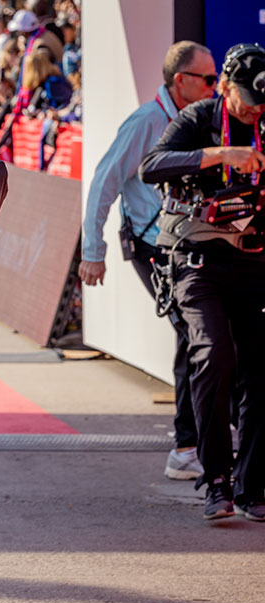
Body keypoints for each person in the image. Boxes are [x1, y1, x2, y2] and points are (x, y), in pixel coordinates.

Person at [139, 43, 265, 522]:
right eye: (246, 100)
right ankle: (216, 479)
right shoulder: (199, 118)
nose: (254, 110)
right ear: (227, 88)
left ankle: (253, 485)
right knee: (214, 353)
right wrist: (219, 155)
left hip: (254, 261)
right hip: (198, 260)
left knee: (260, 367)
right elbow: (151, 166)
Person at [80, 41, 216, 482]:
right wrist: (92, 254)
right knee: (194, 335)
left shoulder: (202, 119)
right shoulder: (146, 121)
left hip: (189, 243)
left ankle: (203, 438)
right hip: (153, 246)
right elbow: (104, 183)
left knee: (207, 337)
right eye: (209, 80)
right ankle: (186, 446)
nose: (216, 89)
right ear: (182, 81)